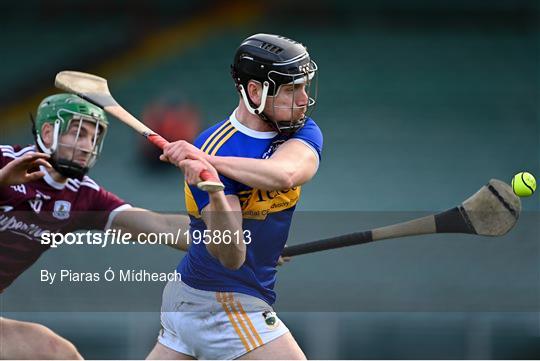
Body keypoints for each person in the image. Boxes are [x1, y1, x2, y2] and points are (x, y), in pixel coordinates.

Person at [148, 33, 323, 360]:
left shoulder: (301, 130)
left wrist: (208, 163)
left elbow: (287, 173)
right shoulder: (214, 145)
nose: (301, 99)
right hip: (217, 298)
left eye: (303, 87)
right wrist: (213, 189)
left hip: (196, 295)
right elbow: (230, 254)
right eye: (290, 89)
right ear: (254, 91)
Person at [0, 93, 206, 359]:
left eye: (94, 137)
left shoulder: (82, 196)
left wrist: (234, 238)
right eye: (79, 133)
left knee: (57, 354)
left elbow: (160, 225)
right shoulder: (4, 159)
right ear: (49, 132)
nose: (87, 145)